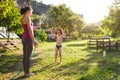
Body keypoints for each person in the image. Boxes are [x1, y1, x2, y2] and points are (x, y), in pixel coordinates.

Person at [20, 6, 40, 77]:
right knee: (28, 56)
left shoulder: (23, 17)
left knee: (25, 55)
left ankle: (25, 71)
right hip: (28, 38)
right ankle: (27, 73)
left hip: (24, 37)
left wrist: (37, 27)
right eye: (31, 11)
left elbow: (29, 27)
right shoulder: (27, 17)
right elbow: (30, 30)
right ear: (28, 11)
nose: (32, 12)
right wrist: (34, 40)